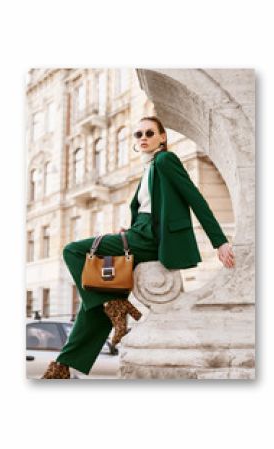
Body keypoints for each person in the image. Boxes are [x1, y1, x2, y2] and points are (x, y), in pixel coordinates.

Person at [41, 115, 235, 379]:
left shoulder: (166, 160)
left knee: (73, 250)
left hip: (150, 239)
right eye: (138, 134)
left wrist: (219, 241)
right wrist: (129, 231)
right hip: (137, 234)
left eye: (149, 133)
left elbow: (194, 197)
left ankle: (115, 305)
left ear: (162, 137)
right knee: (95, 297)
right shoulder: (150, 167)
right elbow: (148, 207)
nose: (143, 138)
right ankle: (62, 367)